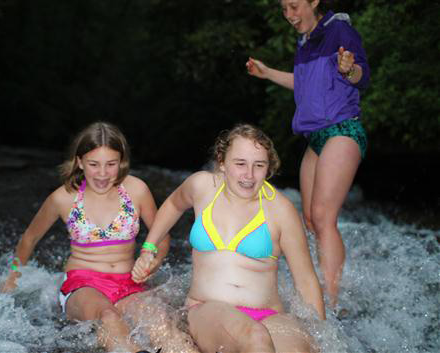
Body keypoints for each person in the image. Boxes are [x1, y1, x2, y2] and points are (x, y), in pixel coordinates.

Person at [0, 122, 196, 353]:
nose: (102, 174)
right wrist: (13, 275)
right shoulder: (63, 198)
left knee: (161, 323)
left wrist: (153, 263)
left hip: (128, 283)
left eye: (111, 164)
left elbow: (161, 238)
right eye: (94, 164)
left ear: (121, 162)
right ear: (80, 162)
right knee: (108, 317)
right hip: (82, 284)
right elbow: (28, 239)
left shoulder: (137, 190)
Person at [132, 123, 326, 353]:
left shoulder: (281, 209)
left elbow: (305, 279)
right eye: (240, 164)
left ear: (268, 168)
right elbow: (173, 204)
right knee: (255, 338)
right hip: (207, 310)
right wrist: (149, 247)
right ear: (222, 162)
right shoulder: (201, 186)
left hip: (270, 316)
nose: (249, 175)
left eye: (259, 165)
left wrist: (321, 335)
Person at [246, 0, 370, 306]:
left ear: (314, 1)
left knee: (323, 218)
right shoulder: (304, 41)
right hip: (316, 137)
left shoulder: (339, 29)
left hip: (343, 130)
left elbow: (362, 75)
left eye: (294, 6)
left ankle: (330, 301)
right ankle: (329, 284)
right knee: (311, 221)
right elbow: (303, 84)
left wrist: (349, 69)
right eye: (284, 9)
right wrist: (267, 73)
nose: (289, 15)